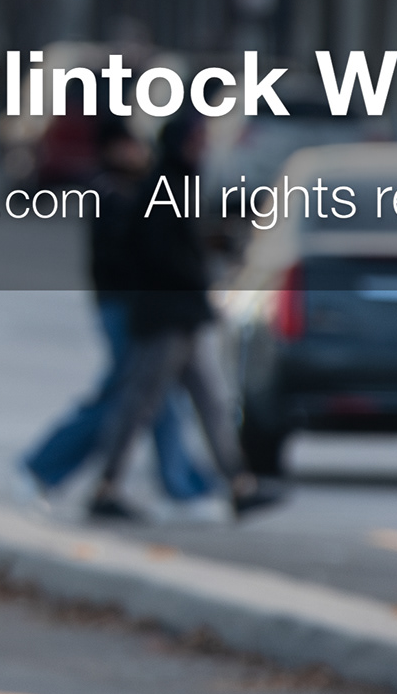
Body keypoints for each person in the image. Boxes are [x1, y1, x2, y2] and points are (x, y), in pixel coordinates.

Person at [84, 113, 282, 522]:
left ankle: (239, 483)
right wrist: (198, 279)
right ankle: (106, 487)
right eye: (197, 140)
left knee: (209, 401)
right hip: (165, 317)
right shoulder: (161, 188)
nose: (203, 147)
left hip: (182, 314)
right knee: (140, 403)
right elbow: (160, 256)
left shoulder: (177, 185)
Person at [20, 120, 220, 507]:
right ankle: (46, 467)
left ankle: (183, 484)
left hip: (140, 306)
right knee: (129, 397)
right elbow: (135, 255)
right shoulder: (112, 192)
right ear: (112, 149)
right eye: (129, 146)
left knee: (153, 399)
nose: (138, 153)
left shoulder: (136, 188)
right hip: (124, 307)